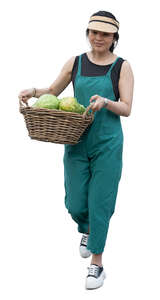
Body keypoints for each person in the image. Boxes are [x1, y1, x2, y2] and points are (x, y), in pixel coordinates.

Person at [18, 10, 134, 290]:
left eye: (105, 34)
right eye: (94, 32)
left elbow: (127, 108)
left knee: (100, 203)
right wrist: (33, 91)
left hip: (107, 143)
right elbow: (53, 91)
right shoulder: (76, 62)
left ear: (114, 37)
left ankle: (97, 264)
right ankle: (87, 230)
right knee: (75, 203)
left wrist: (107, 101)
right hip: (76, 140)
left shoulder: (122, 66)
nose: (98, 38)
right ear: (88, 33)